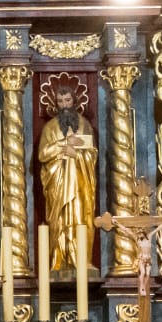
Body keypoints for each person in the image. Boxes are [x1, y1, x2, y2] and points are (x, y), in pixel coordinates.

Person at [38, 83, 98, 271]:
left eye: (67, 100)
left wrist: (77, 155)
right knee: (60, 221)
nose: (64, 105)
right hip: (59, 184)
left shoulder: (85, 125)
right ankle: (59, 260)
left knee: (81, 217)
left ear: (74, 101)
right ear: (55, 104)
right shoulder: (50, 127)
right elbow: (42, 155)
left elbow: (92, 154)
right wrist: (64, 144)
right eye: (60, 101)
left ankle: (82, 259)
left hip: (80, 184)